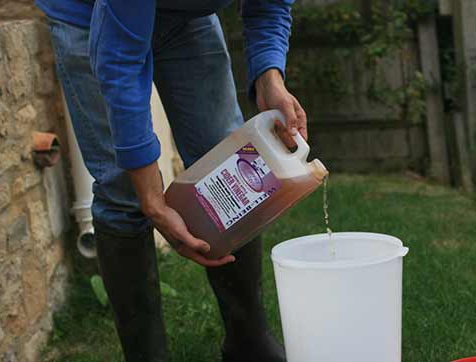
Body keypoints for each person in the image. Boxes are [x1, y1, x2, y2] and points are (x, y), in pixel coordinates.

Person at [35, 0, 308, 361]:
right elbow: (119, 61)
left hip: (185, 16)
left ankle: (248, 340)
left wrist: (269, 77)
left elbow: (270, 5)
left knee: (224, 156)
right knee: (122, 187)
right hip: (88, 16)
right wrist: (150, 198)